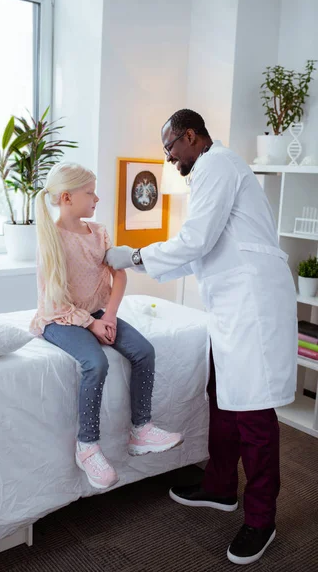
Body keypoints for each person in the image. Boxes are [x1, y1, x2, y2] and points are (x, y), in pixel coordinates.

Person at [105, 109, 297, 565]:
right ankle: (219, 487)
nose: (168, 157)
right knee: (222, 394)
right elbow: (199, 253)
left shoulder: (218, 164)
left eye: (170, 147)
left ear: (191, 135)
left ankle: (260, 518)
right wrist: (141, 263)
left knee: (252, 412)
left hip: (252, 304)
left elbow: (195, 241)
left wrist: (133, 254)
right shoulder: (211, 172)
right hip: (233, 306)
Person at [30, 162, 183, 491]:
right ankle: (87, 446)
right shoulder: (51, 239)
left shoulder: (98, 232)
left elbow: (119, 274)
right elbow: (54, 302)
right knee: (95, 363)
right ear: (68, 198)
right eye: (90, 192)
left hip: (98, 312)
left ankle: (141, 429)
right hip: (59, 318)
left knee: (144, 351)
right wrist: (91, 325)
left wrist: (109, 317)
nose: (97, 198)